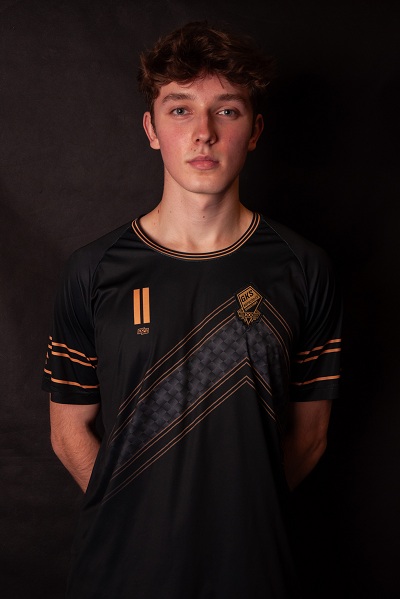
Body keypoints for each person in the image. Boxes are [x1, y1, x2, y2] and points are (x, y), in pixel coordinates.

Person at [43, 21, 342, 598]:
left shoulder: (303, 268)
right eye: (180, 110)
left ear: (255, 130)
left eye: (226, 111)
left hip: (253, 573)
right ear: (151, 129)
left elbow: (310, 438)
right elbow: (67, 431)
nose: (203, 133)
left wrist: (236, 523)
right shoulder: (93, 270)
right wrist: (136, 518)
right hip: (120, 574)